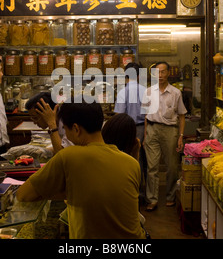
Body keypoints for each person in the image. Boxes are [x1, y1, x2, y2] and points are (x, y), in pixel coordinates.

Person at [16, 99, 146, 239]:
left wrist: (68, 192)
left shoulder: (69, 156)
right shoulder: (131, 163)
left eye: (65, 129)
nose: (66, 135)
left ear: (76, 129)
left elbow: (23, 194)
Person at [142, 61, 187, 211]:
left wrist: (181, 136)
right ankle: (152, 199)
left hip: (170, 131)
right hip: (152, 130)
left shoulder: (176, 93)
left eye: (163, 72)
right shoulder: (148, 92)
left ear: (168, 73)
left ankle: (170, 196)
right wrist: (145, 135)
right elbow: (146, 116)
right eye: (157, 72)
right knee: (152, 167)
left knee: (172, 167)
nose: (160, 75)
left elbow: (181, 116)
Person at [113, 62, 147, 199]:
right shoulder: (146, 90)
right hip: (144, 128)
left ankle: (132, 193)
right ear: (138, 76)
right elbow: (150, 113)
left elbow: (119, 115)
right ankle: (143, 194)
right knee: (144, 161)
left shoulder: (123, 92)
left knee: (129, 160)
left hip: (128, 128)